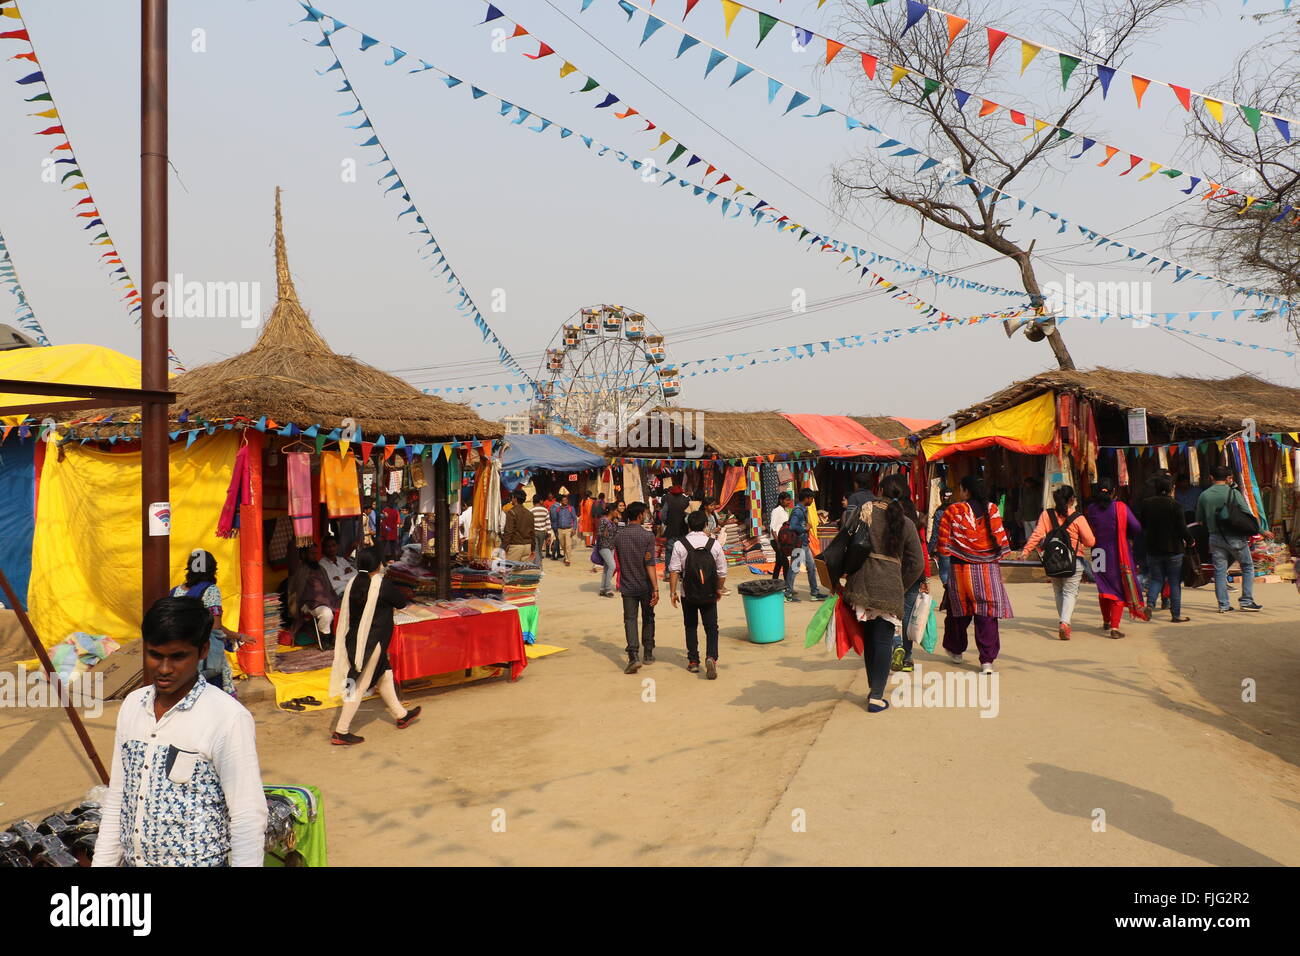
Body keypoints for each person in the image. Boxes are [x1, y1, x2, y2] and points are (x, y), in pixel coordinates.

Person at [94, 596, 267, 867]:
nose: (164, 669)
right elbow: (119, 797)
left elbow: (247, 815)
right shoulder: (132, 707)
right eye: (155, 655)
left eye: (177, 657)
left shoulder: (227, 717)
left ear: (202, 651)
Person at [839, 482, 925, 713]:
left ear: (880, 490)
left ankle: (873, 690)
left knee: (870, 641)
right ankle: (876, 695)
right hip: (889, 587)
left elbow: (845, 541)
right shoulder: (906, 523)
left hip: (862, 584)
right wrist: (902, 586)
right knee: (883, 641)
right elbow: (917, 563)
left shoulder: (864, 512)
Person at [329, 548, 421, 745]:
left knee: (384, 675)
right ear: (377, 564)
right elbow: (401, 602)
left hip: (354, 639)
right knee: (359, 685)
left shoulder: (354, 582)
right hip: (371, 643)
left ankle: (401, 714)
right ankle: (341, 731)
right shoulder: (381, 585)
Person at [936, 475, 1012, 674]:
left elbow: (943, 543)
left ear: (965, 491)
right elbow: (1002, 541)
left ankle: (956, 650)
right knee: (987, 615)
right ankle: (987, 661)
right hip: (988, 571)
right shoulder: (993, 510)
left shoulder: (954, 510)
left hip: (961, 570)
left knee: (958, 612)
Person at [1021, 485, 1096, 640]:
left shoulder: (1046, 515)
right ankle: (1065, 622)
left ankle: (1064, 621)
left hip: (1052, 561)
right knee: (1070, 592)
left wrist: (1026, 551)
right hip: (1074, 561)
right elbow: (1090, 541)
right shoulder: (1078, 518)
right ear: (1072, 500)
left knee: (1058, 590)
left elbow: (1037, 535)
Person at [1085, 477, 1149, 638]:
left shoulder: (1091, 509)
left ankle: (1106, 621)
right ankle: (1114, 627)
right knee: (1117, 590)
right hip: (1117, 553)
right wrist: (1123, 532)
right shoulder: (1120, 507)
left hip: (1098, 553)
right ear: (1114, 491)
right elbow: (1136, 527)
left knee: (1103, 588)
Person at [668, 509, 728, 678]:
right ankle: (711, 657)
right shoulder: (713, 544)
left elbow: (674, 570)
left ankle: (693, 661)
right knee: (711, 627)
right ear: (705, 525)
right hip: (709, 592)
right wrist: (718, 589)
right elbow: (722, 571)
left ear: (688, 525)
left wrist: (673, 592)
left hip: (688, 593)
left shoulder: (680, 544)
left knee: (691, 626)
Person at [1195, 465, 1263, 613]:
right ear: (1227, 478)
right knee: (1247, 566)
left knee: (1219, 571)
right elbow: (1247, 514)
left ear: (1211, 477)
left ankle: (1223, 605)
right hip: (1235, 537)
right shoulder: (1234, 493)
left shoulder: (1204, 495)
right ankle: (1246, 601)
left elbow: (1199, 520)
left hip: (1214, 537)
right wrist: (1260, 529)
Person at [169, 550, 238, 695]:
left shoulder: (175, 592)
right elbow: (215, 626)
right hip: (203, 657)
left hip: (179, 655)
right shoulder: (211, 590)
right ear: (213, 569)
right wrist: (235, 635)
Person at [879, 474, 929, 672]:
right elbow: (920, 549)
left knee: (886, 613)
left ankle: (895, 645)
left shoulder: (882, 513)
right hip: (912, 573)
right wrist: (922, 577)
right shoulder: (913, 514)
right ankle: (907, 657)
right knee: (907, 614)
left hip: (889, 571)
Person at [1141, 475, 1195, 623]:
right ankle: (1176, 615)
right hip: (1174, 549)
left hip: (1153, 548)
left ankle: (1150, 604)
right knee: (1174, 581)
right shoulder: (1175, 505)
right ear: (1172, 489)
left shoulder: (1146, 504)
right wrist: (1190, 540)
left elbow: (1143, 525)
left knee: (1156, 579)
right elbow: (1182, 528)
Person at [614, 501, 659, 674]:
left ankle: (633, 655)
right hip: (645, 585)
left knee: (630, 619)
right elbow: (650, 564)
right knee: (648, 617)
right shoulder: (647, 536)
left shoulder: (619, 536)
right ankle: (648, 653)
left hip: (627, 585)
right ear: (640, 515)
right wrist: (655, 588)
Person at [286, 542, 340, 648]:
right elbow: (298, 591)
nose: (314, 556)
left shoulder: (321, 569)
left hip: (327, 601)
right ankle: (325, 640)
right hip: (307, 604)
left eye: (316, 553)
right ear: (303, 555)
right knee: (327, 613)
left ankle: (337, 638)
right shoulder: (299, 569)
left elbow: (329, 588)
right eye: (311, 553)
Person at [787, 488, 828, 602]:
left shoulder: (803, 509)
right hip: (798, 544)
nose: (812, 500)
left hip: (804, 544)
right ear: (806, 498)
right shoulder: (798, 511)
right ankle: (788, 593)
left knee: (811, 567)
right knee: (795, 568)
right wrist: (805, 528)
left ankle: (814, 593)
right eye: (811, 498)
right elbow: (792, 526)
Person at [660, 484, 690, 581]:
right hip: (683, 530)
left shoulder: (668, 500)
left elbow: (663, 514)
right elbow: (689, 515)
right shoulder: (686, 501)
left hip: (671, 530)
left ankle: (669, 574)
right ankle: (682, 574)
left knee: (670, 551)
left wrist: (666, 522)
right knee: (683, 552)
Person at [769, 491, 794, 597]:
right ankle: (787, 586)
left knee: (779, 563)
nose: (789, 502)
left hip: (782, 541)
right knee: (785, 563)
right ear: (781, 500)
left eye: (789, 500)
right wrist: (778, 542)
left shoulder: (785, 511)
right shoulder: (776, 511)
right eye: (787, 500)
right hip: (776, 541)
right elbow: (772, 528)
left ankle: (773, 585)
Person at [928, 487, 954, 587]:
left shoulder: (939, 512)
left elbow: (935, 534)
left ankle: (949, 594)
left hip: (944, 547)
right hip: (958, 547)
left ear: (942, 497)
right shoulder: (957, 509)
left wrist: (929, 550)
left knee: (944, 574)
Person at [501, 488, 536, 562]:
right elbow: (532, 532)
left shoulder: (512, 512)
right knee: (523, 572)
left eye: (512, 497)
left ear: (515, 499)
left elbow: (508, 532)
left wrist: (503, 548)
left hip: (516, 547)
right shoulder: (529, 513)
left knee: (510, 571)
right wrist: (533, 547)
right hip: (528, 546)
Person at [597, 501, 622, 597]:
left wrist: (618, 523)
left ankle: (602, 588)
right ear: (611, 511)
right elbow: (599, 533)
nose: (617, 512)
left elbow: (618, 533)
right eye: (616, 510)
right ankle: (608, 588)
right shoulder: (604, 520)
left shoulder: (613, 522)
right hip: (604, 546)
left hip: (611, 547)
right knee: (612, 566)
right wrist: (604, 533)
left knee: (607, 568)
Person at [551, 493, 578, 566]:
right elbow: (556, 520)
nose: (565, 501)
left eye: (566, 500)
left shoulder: (571, 508)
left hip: (568, 529)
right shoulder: (558, 509)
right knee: (563, 545)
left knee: (568, 545)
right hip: (560, 529)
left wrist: (574, 529)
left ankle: (567, 560)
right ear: (561, 501)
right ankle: (566, 555)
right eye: (564, 500)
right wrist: (555, 530)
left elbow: (575, 519)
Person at [1017, 476, 1044, 548]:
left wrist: (1039, 517)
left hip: (1034, 518)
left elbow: (1039, 505)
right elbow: (1021, 506)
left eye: (1027, 483)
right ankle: (1031, 550)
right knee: (1028, 537)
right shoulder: (1023, 492)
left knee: (1037, 536)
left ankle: (1040, 549)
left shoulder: (1035, 493)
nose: (1026, 485)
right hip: (1026, 518)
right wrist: (1020, 517)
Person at [379, 495, 401, 563]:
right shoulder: (395, 512)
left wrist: (386, 527)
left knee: (383, 546)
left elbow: (382, 521)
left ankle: (381, 559)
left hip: (386, 531)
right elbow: (396, 521)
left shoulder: (384, 511)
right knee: (393, 546)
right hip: (393, 531)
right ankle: (393, 559)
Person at [530, 494, 551, 563]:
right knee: (539, 549)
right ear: (540, 501)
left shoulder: (531, 511)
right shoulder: (545, 510)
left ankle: (538, 565)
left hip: (534, 532)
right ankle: (539, 564)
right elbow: (548, 523)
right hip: (543, 533)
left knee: (535, 549)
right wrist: (549, 535)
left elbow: (530, 524)